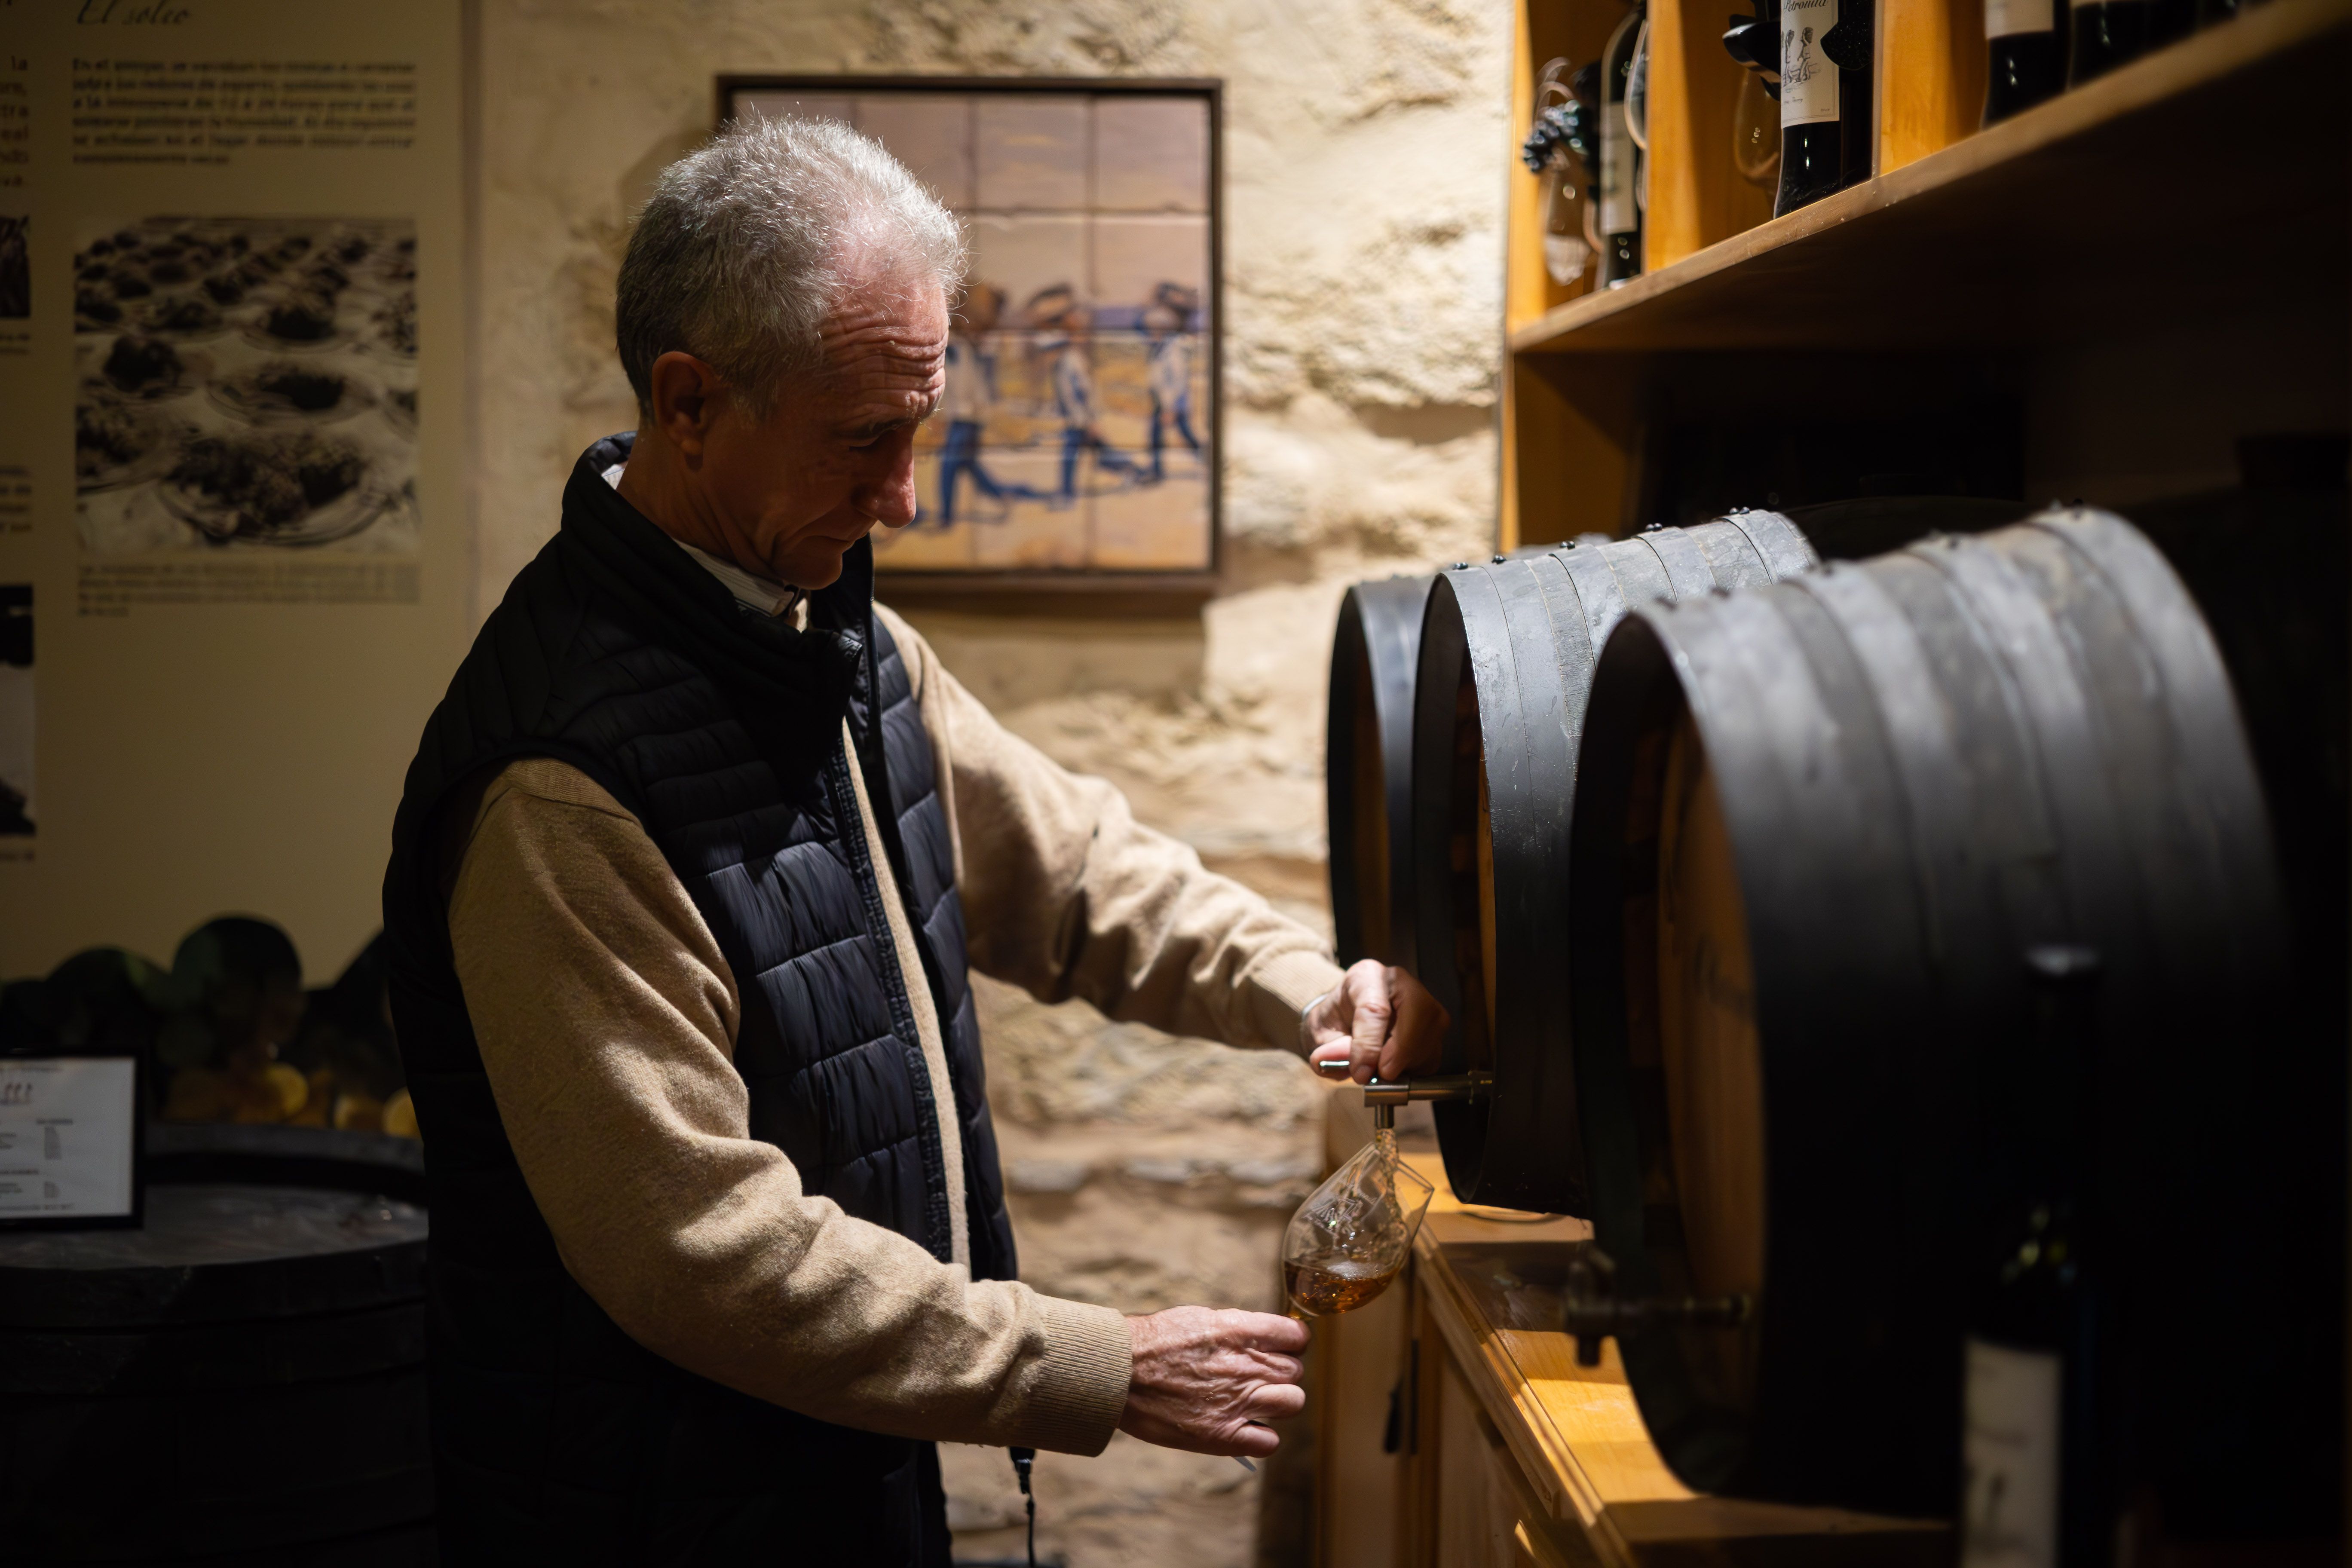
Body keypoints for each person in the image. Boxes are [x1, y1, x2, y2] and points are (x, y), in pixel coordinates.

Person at [381, 118, 1446, 1565]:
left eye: (919, 431)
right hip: (647, 1509)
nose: (901, 495)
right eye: (862, 441)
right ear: (687, 402)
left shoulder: (835, 640)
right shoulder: (558, 785)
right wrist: (1093, 1359)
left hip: (829, 1468)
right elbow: (702, 1249)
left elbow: (1071, 876)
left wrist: (1304, 985)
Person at [1023, 285, 1137, 509]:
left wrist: (1091, 419)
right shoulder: (1063, 358)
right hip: (1077, 418)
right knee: (1100, 454)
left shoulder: (1070, 359)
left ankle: (1068, 496)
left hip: (1080, 419)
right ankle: (1130, 471)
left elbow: (1083, 391)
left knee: (1074, 457)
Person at [934, 281, 1032, 526]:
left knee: (949, 466)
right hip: (966, 416)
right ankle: (1003, 496)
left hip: (967, 418)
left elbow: (970, 389)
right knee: (968, 465)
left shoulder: (964, 348)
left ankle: (946, 518)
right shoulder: (960, 347)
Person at [1142, 283, 1204, 484]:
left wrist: (1169, 408)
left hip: (1173, 402)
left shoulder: (1174, 348)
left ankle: (1209, 461)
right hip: (1166, 401)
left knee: (1182, 436)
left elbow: (1177, 380)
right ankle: (1157, 471)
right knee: (1160, 436)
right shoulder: (1161, 347)